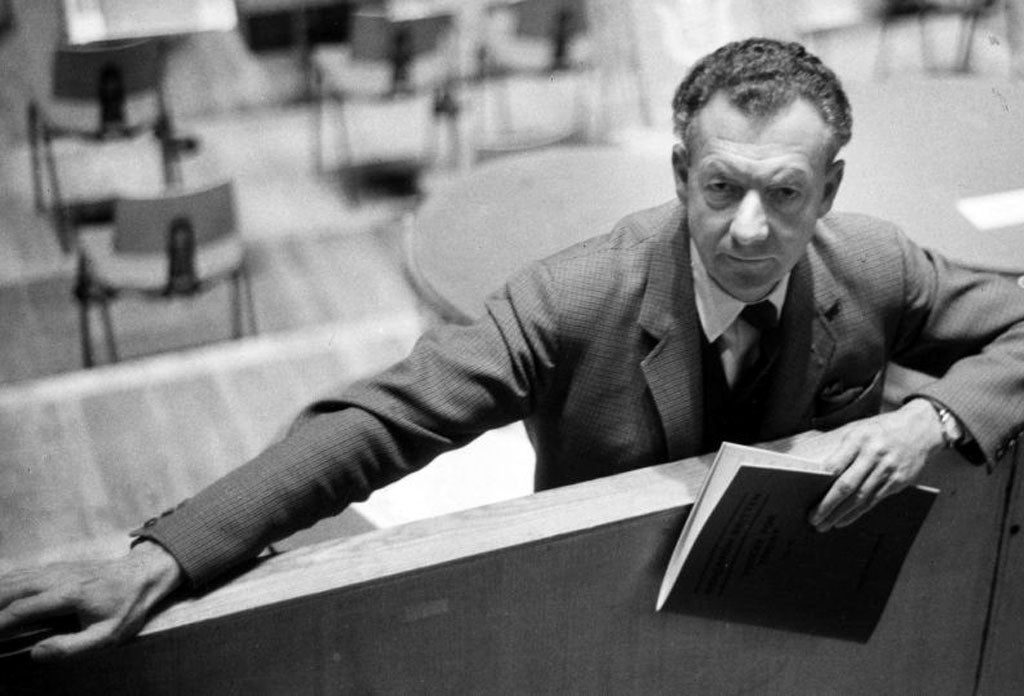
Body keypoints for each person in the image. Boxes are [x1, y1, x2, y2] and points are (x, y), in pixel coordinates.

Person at [4, 38, 1024, 660]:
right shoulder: (573, 298)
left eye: (785, 194)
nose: (749, 230)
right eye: (721, 187)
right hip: (604, 601)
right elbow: (387, 417)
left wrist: (929, 415)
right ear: (679, 174)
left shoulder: (874, 262)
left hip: (795, 603)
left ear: (830, 191)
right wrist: (165, 556)